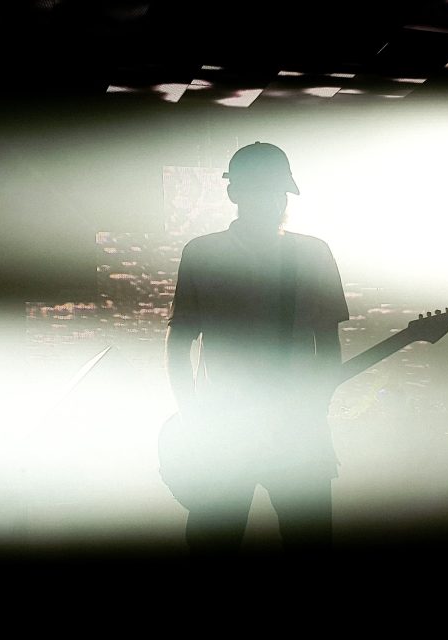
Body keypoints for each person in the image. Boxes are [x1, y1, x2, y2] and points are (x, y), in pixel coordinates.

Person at [163, 142, 349, 557]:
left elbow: (328, 346)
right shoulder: (203, 254)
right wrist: (193, 418)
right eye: (263, 191)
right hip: (227, 430)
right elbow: (178, 344)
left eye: (277, 192)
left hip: (291, 431)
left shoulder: (313, 254)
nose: (273, 201)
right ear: (234, 194)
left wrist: (316, 405)